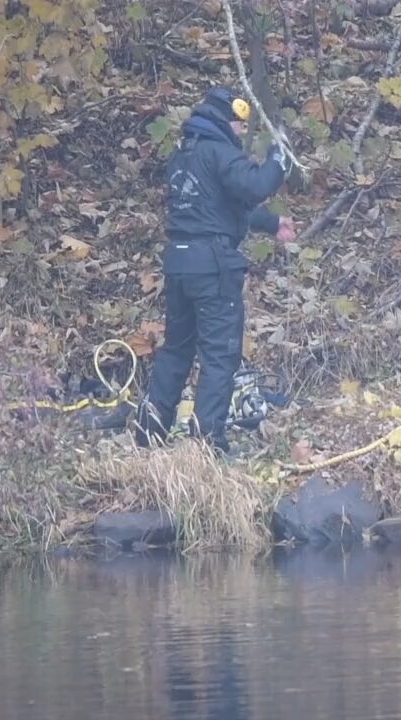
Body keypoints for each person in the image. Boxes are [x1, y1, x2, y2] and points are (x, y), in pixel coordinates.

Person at [135, 86, 297, 452]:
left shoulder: (185, 155)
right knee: (220, 355)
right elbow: (254, 186)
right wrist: (280, 156)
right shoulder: (220, 151)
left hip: (178, 264)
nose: (241, 130)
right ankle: (207, 444)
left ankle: (149, 435)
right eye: (239, 124)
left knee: (177, 349)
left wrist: (271, 224)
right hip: (212, 268)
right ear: (226, 120)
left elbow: (218, 205)